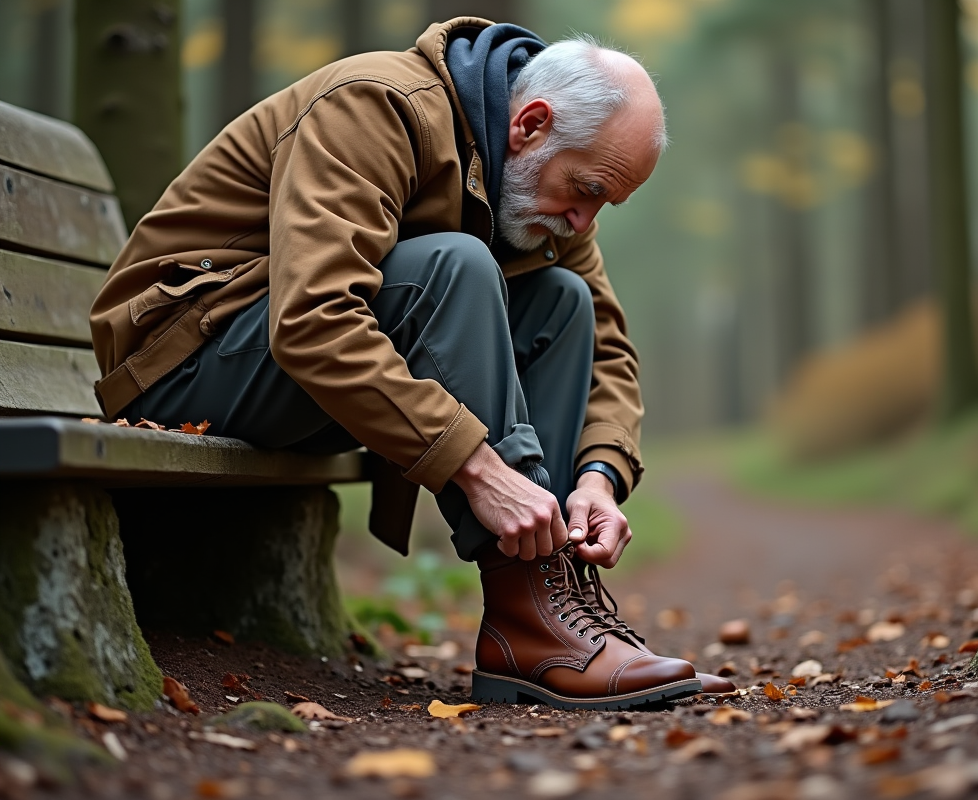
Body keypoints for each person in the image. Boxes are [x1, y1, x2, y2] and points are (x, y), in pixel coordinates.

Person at [90, 17, 733, 709]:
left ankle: (556, 609)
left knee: (560, 299)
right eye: (588, 190)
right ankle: (534, 620)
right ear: (531, 124)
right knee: (452, 265)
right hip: (184, 365)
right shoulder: (376, 105)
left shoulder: (540, 192)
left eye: (605, 202)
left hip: (293, 377)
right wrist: (479, 469)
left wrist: (599, 477)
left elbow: (605, 343)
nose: (585, 221)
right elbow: (313, 320)